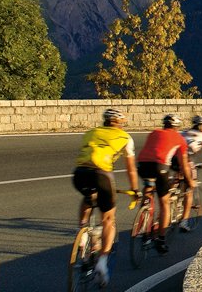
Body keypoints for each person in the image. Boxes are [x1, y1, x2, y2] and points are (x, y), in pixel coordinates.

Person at [71, 108, 139, 286]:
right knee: (108, 219)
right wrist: (135, 190)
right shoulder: (125, 137)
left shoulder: (90, 132)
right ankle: (102, 262)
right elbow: (131, 169)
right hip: (103, 175)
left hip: (79, 174)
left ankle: (83, 234)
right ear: (120, 123)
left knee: (88, 197)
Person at [135, 114, 196, 254]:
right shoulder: (180, 139)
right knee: (164, 203)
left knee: (149, 190)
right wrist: (189, 181)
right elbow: (184, 164)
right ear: (176, 127)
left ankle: (144, 216)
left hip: (142, 166)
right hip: (160, 167)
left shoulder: (154, 133)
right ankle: (161, 240)